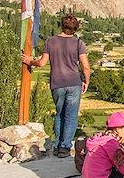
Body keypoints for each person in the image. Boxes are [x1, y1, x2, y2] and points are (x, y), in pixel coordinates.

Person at [22, 14, 91, 158]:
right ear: (75, 28)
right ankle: (65, 148)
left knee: (59, 114)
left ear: (61, 25)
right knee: (71, 116)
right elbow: (86, 67)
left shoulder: (51, 41)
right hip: (74, 83)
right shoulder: (79, 43)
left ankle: (57, 145)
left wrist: (30, 61)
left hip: (57, 84)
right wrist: (86, 81)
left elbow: (41, 63)